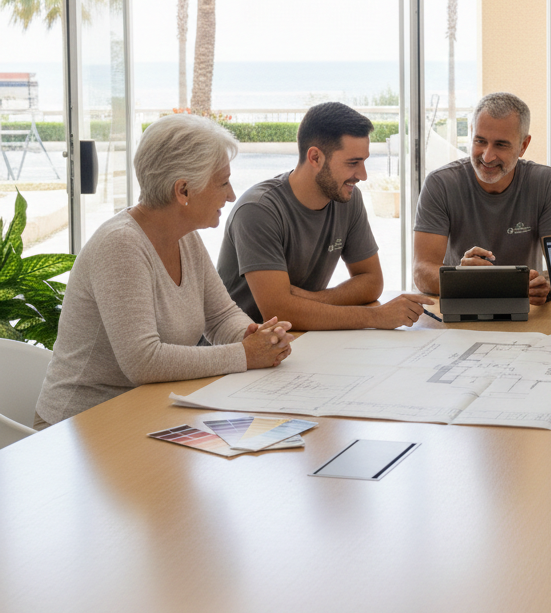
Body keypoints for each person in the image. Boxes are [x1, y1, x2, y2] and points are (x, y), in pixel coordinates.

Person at [35, 114, 293, 428]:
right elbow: (143, 361)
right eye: (222, 182)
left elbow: (220, 316)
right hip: (79, 427)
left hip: (145, 413)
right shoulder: (121, 246)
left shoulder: (186, 237)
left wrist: (251, 335)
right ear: (183, 190)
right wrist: (245, 355)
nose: (231, 195)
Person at [218, 101, 430, 330]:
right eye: (353, 163)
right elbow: (278, 311)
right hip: (241, 351)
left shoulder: (347, 198)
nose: (363, 175)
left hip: (298, 341)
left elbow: (372, 281)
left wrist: (315, 300)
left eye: (364, 161)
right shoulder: (258, 210)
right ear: (315, 158)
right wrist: (375, 317)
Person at [413, 91, 551, 305]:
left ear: (523, 146)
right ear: (471, 134)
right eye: (480, 141)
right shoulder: (440, 183)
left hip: (525, 312)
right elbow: (421, 271)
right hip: (463, 308)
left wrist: (547, 287)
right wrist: (462, 277)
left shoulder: (545, 182)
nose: (487, 156)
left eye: (501, 145)